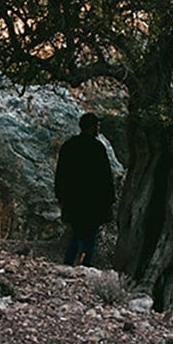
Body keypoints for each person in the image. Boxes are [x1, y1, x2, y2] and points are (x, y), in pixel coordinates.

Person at [54, 113, 115, 266]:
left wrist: (60, 196)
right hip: (93, 202)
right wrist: (109, 199)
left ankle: (69, 262)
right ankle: (84, 264)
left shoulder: (68, 146)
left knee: (76, 232)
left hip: (73, 200)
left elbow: (61, 173)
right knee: (89, 235)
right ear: (92, 126)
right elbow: (105, 176)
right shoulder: (97, 148)